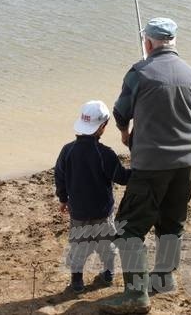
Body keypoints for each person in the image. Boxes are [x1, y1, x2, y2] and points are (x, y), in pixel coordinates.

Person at [99, 17, 191, 314]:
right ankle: (164, 278)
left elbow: (121, 112)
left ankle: (136, 295)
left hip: (151, 164)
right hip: (186, 163)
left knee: (128, 229)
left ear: (148, 43)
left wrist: (123, 134)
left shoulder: (139, 72)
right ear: (174, 41)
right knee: (172, 222)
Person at [54, 100, 131, 293]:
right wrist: (138, 170)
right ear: (103, 127)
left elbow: (60, 175)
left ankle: (77, 281)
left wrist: (63, 198)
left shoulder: (67, 150)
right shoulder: (105, 154)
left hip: (78, 212)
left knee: (78, 247)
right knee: (107, 246)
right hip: (102, 212)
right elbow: (121, 178)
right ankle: (108, 273)